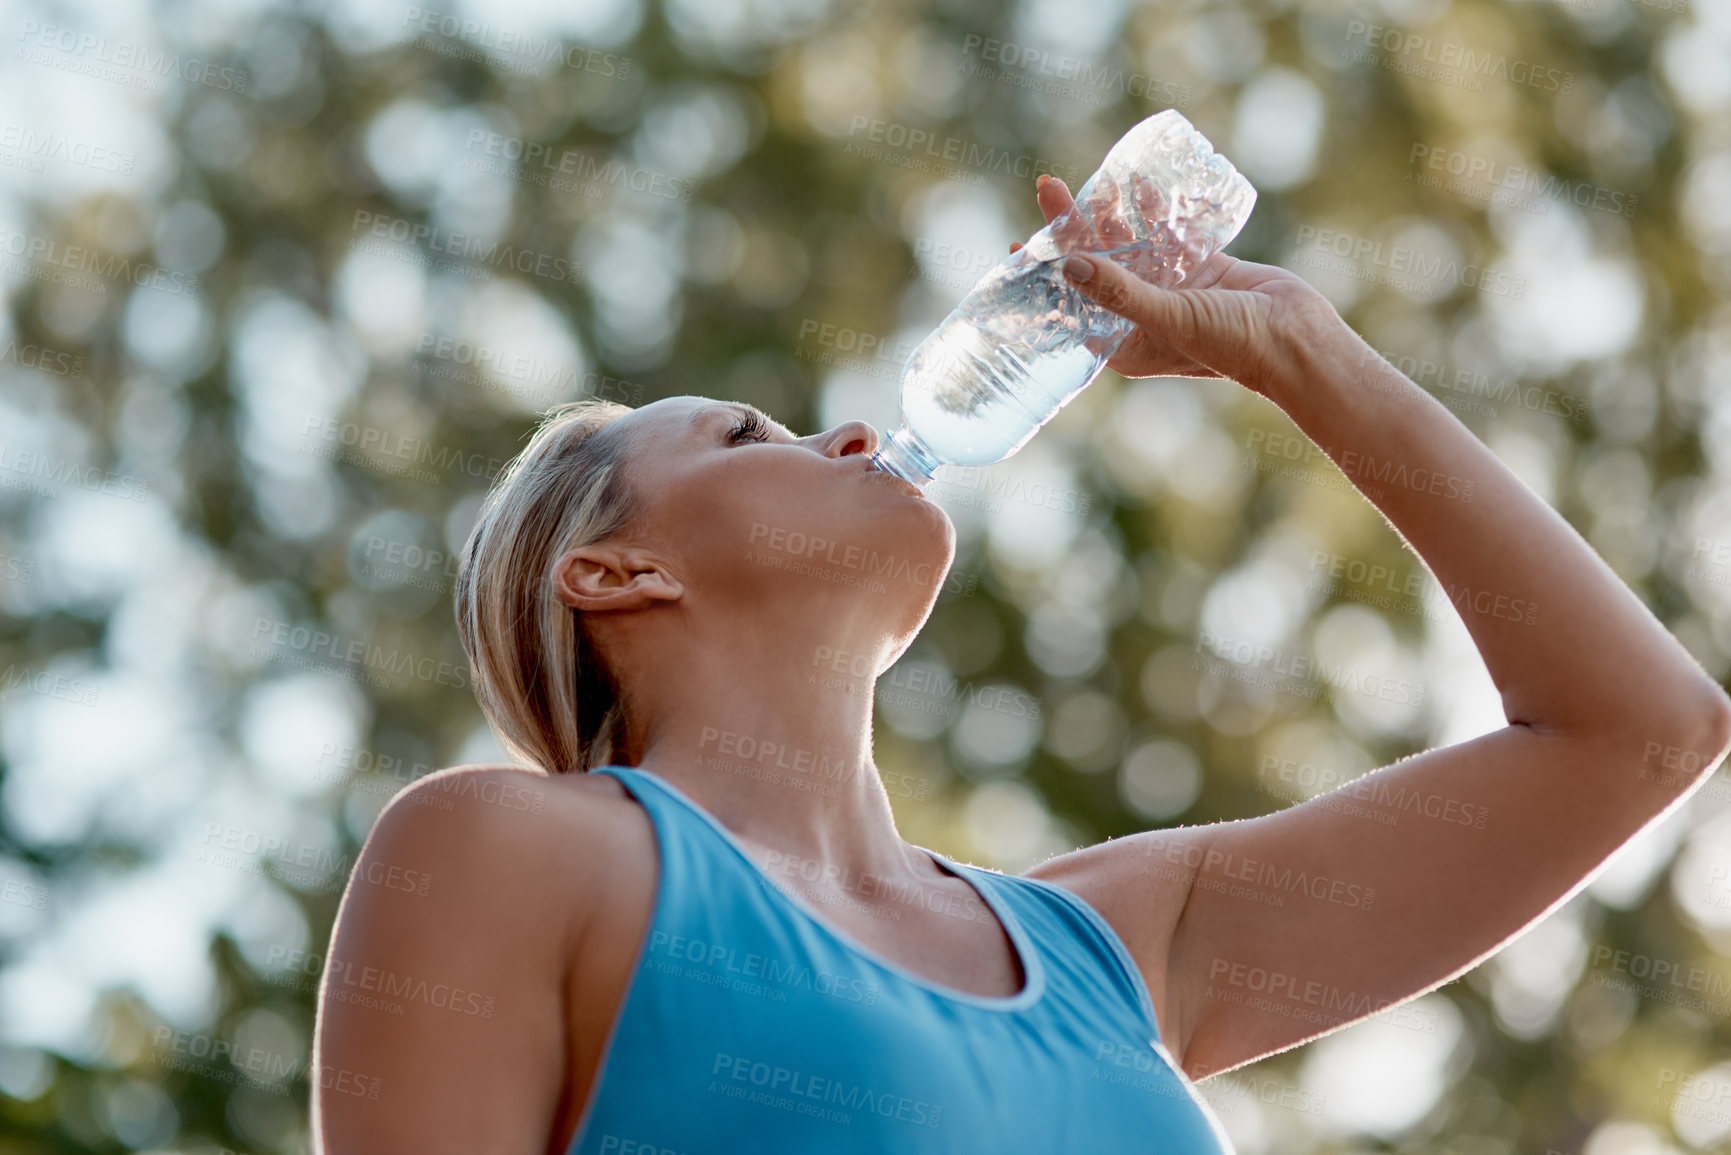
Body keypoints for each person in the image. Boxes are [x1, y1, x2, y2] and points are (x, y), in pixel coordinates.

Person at [310, 174, 1731, 1154]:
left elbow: (1640, 733)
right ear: (616, 573)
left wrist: (1304, 355)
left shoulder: (1117, 946)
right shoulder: (507, 853)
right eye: (749, 436)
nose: (852, 435)